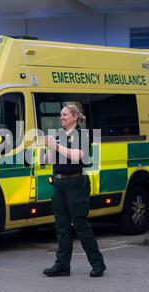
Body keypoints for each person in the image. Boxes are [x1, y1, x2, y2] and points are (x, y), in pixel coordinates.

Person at [43, 104, 106, 277]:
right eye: (60, 115)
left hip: (76, 184)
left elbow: (78, 156)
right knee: (62, 227)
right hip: (59, 183)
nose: (61, 117)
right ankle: (62, 265)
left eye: (64, 114)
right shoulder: (58, 135)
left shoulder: (82, 135)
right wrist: (48, 149)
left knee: (81, 226)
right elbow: (47, 160)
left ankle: (98, 263)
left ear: (75, 117)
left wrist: (56, 146)